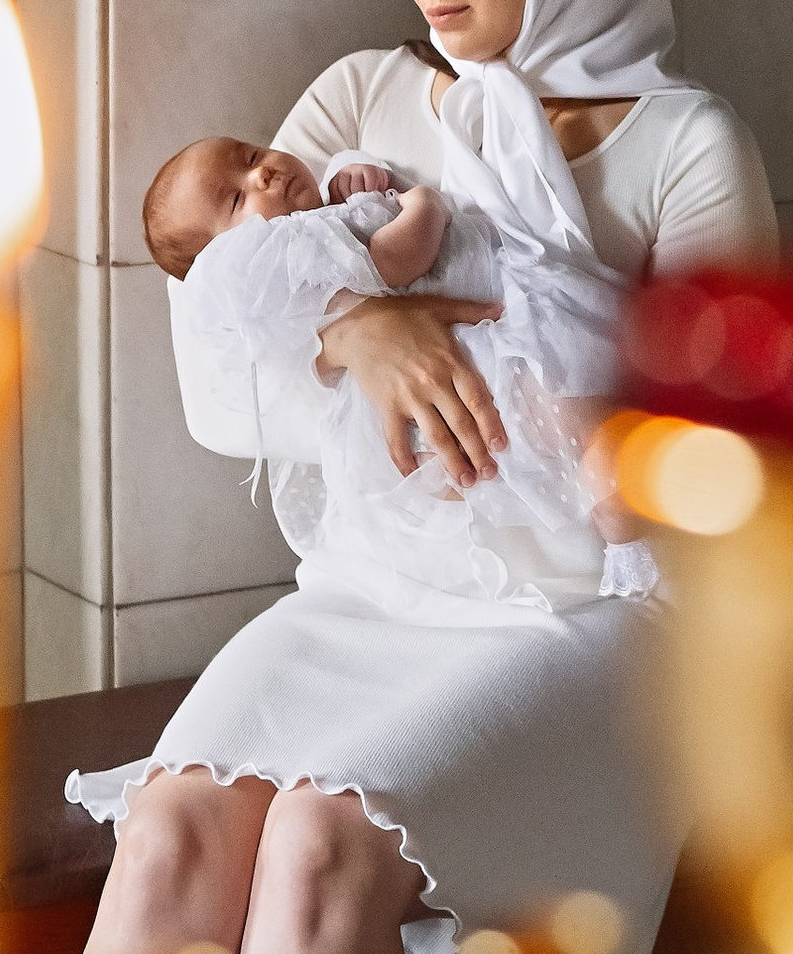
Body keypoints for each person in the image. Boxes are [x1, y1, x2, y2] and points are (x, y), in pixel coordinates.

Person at [39, 0, 775, 954]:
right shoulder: (369, 95)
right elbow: (224, 336)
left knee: (323, 840)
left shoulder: (687, 145)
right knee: (176, 824)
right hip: (379, 592)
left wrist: (586, 431)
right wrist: (354, 323)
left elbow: (736, 451)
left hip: (586, 619)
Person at [141, 129, 653, 619]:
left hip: (483, 336)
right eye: (235, 200)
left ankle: (614, 523)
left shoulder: (327, 206)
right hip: (481, 348)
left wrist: (361, 175)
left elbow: (360, 204)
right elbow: (397, 261)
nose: (263, 177)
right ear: (230, 260)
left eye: (251, 157)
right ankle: (617, 521)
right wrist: (425, 204)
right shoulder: (292, 251)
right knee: (557, 413)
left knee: (558, 421)